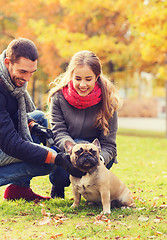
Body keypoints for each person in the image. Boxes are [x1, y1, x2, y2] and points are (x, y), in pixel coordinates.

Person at [0, 38, 85, 208]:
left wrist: (33, 126)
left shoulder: (3, 71)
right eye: (23, 72)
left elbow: (12, 115)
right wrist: (57, 158)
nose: (27, 78)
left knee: (38, 117)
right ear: (8, 62)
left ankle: (19, 189)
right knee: (46, 164)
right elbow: (10, 143)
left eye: (32, 72)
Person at [47, 50, 121, 198]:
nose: (82, 84)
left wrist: (99, 158)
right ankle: (58, 184)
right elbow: (59, 132)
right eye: (78, 78)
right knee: (60, 172)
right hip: (68, 149)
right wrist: (73, 150)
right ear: (71, 76)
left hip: (96, 154)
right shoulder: (58, 98)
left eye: (88, 79)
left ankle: (94, 192)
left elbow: (109, 143)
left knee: (97, 170)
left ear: (96, 77)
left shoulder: (109, 102)